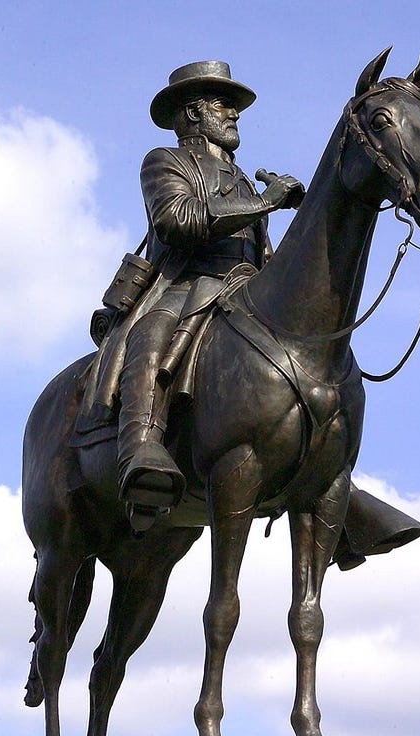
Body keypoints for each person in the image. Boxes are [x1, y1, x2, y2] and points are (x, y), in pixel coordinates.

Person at [103, 60, 304, 528]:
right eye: (223, 105)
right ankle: (140, 446)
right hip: (185, 283)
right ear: (193, 113)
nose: (234, 115)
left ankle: (333, 478)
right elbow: (179, 222)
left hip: (242, 291)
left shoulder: (245, 180)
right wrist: (267, 201)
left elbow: (262, 253)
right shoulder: (164, 161)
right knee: (152, 334)